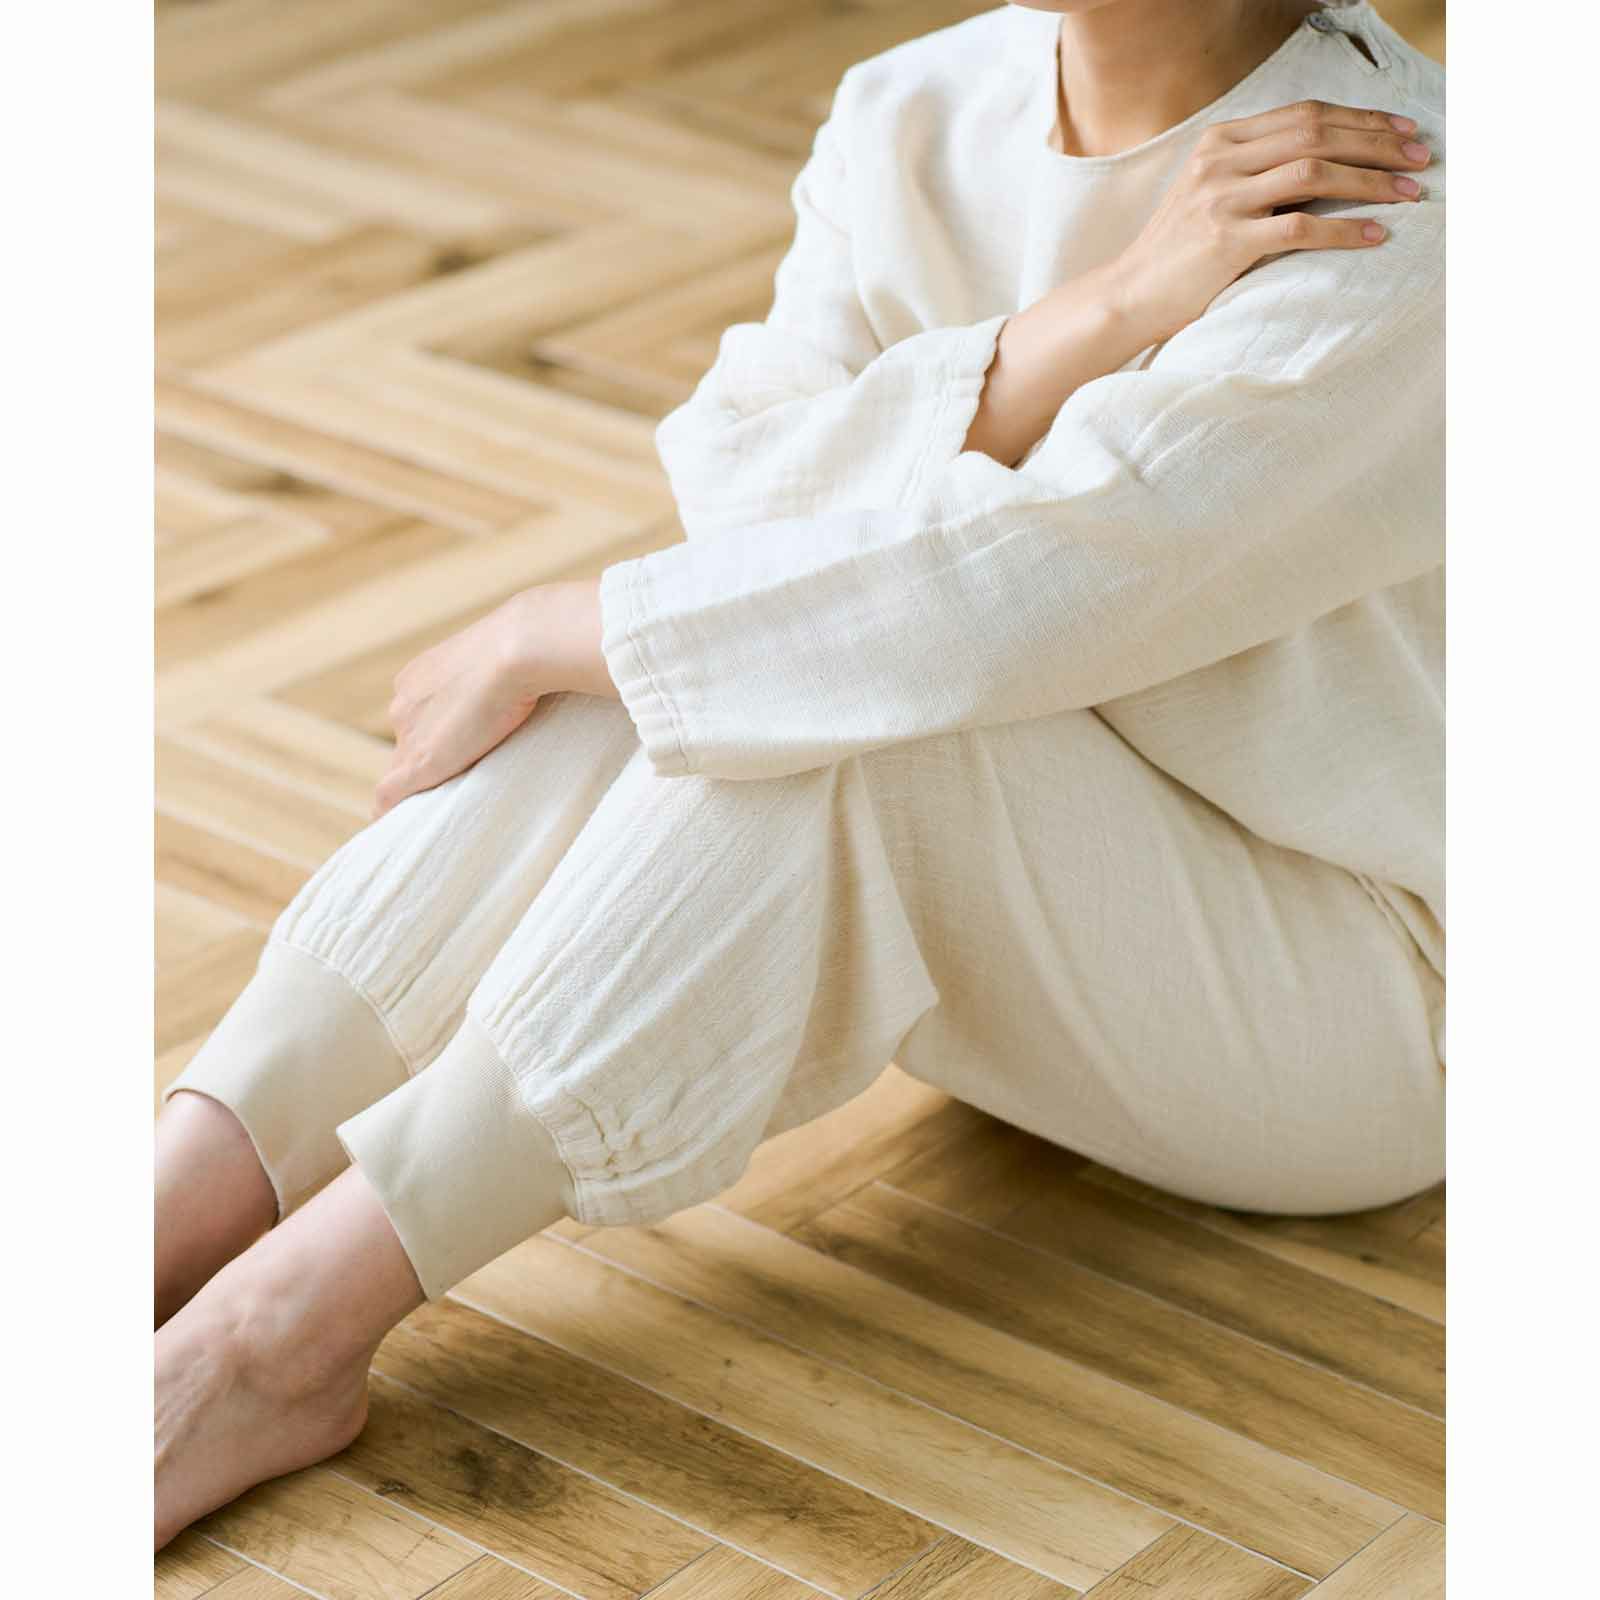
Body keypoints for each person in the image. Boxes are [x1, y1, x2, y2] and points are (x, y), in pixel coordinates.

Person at [154, 0, 1445, 1550]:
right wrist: (1099, 311)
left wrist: (551, 620)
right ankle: (184, 1198)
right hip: (1059, 899)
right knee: (720, 659)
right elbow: (738, 491)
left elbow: (1008, 600)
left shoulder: (1399, 205)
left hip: (1360, 988)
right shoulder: (911, 105)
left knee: (803, 686)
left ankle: (277, 1337)